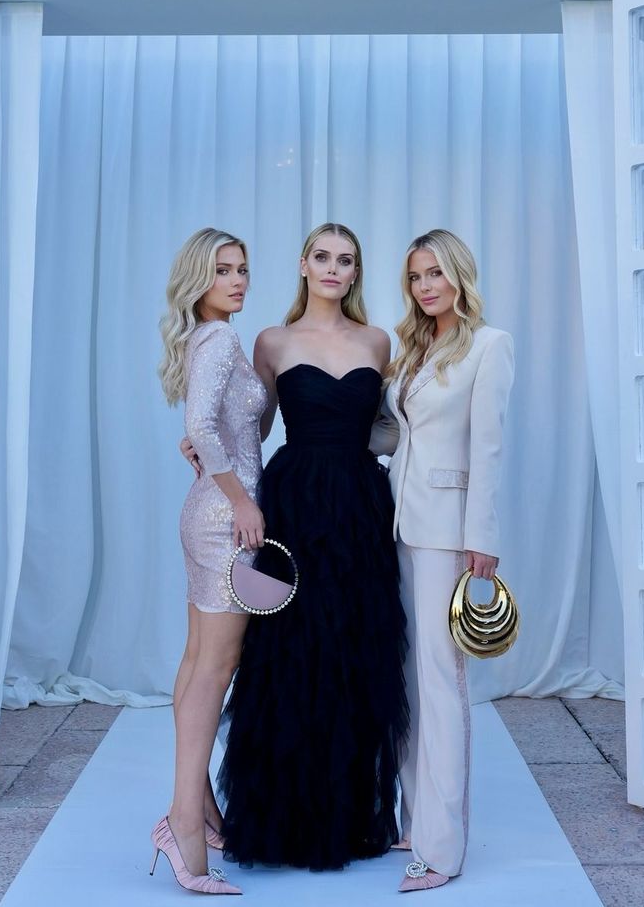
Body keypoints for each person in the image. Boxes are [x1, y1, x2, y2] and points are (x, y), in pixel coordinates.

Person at [207, 223, 409, 871]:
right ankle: (285, 813)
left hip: (358, 505)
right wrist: (205, 450)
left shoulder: (379, 341)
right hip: (293, 502)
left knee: (355, 648)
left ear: (355, 272)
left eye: (344, 259)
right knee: (291, 652)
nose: (332, 267)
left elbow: (392, 428)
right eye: (321, 256)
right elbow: (252, 424)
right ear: (302, 265)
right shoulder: (272, 340)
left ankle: (348, 811)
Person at [370, 229, 514, 893]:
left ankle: (442, 844)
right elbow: (393, 434)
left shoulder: (489, 344)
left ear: (458, 274)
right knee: (405, 674)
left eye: (435, 274)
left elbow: (486, 448)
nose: (426, 286)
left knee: (439, 677)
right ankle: (412, 817)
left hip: (447, 532)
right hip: (397, 523)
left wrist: (480, 537)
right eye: (416, 277)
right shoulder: (414, 348)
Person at [153, 227, 268, 896]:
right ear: (197, 279)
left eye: (243, 268)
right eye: (223, 270)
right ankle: (183, 824)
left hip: (208, 511)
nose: (237, 280)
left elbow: (206, 426)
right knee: (214, 666)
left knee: (199, 660)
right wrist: (241, 501)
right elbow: (202, 426)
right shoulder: (220, 338)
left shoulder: (204, 339)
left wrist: (209, 454)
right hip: (228, 520)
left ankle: (197, 811)